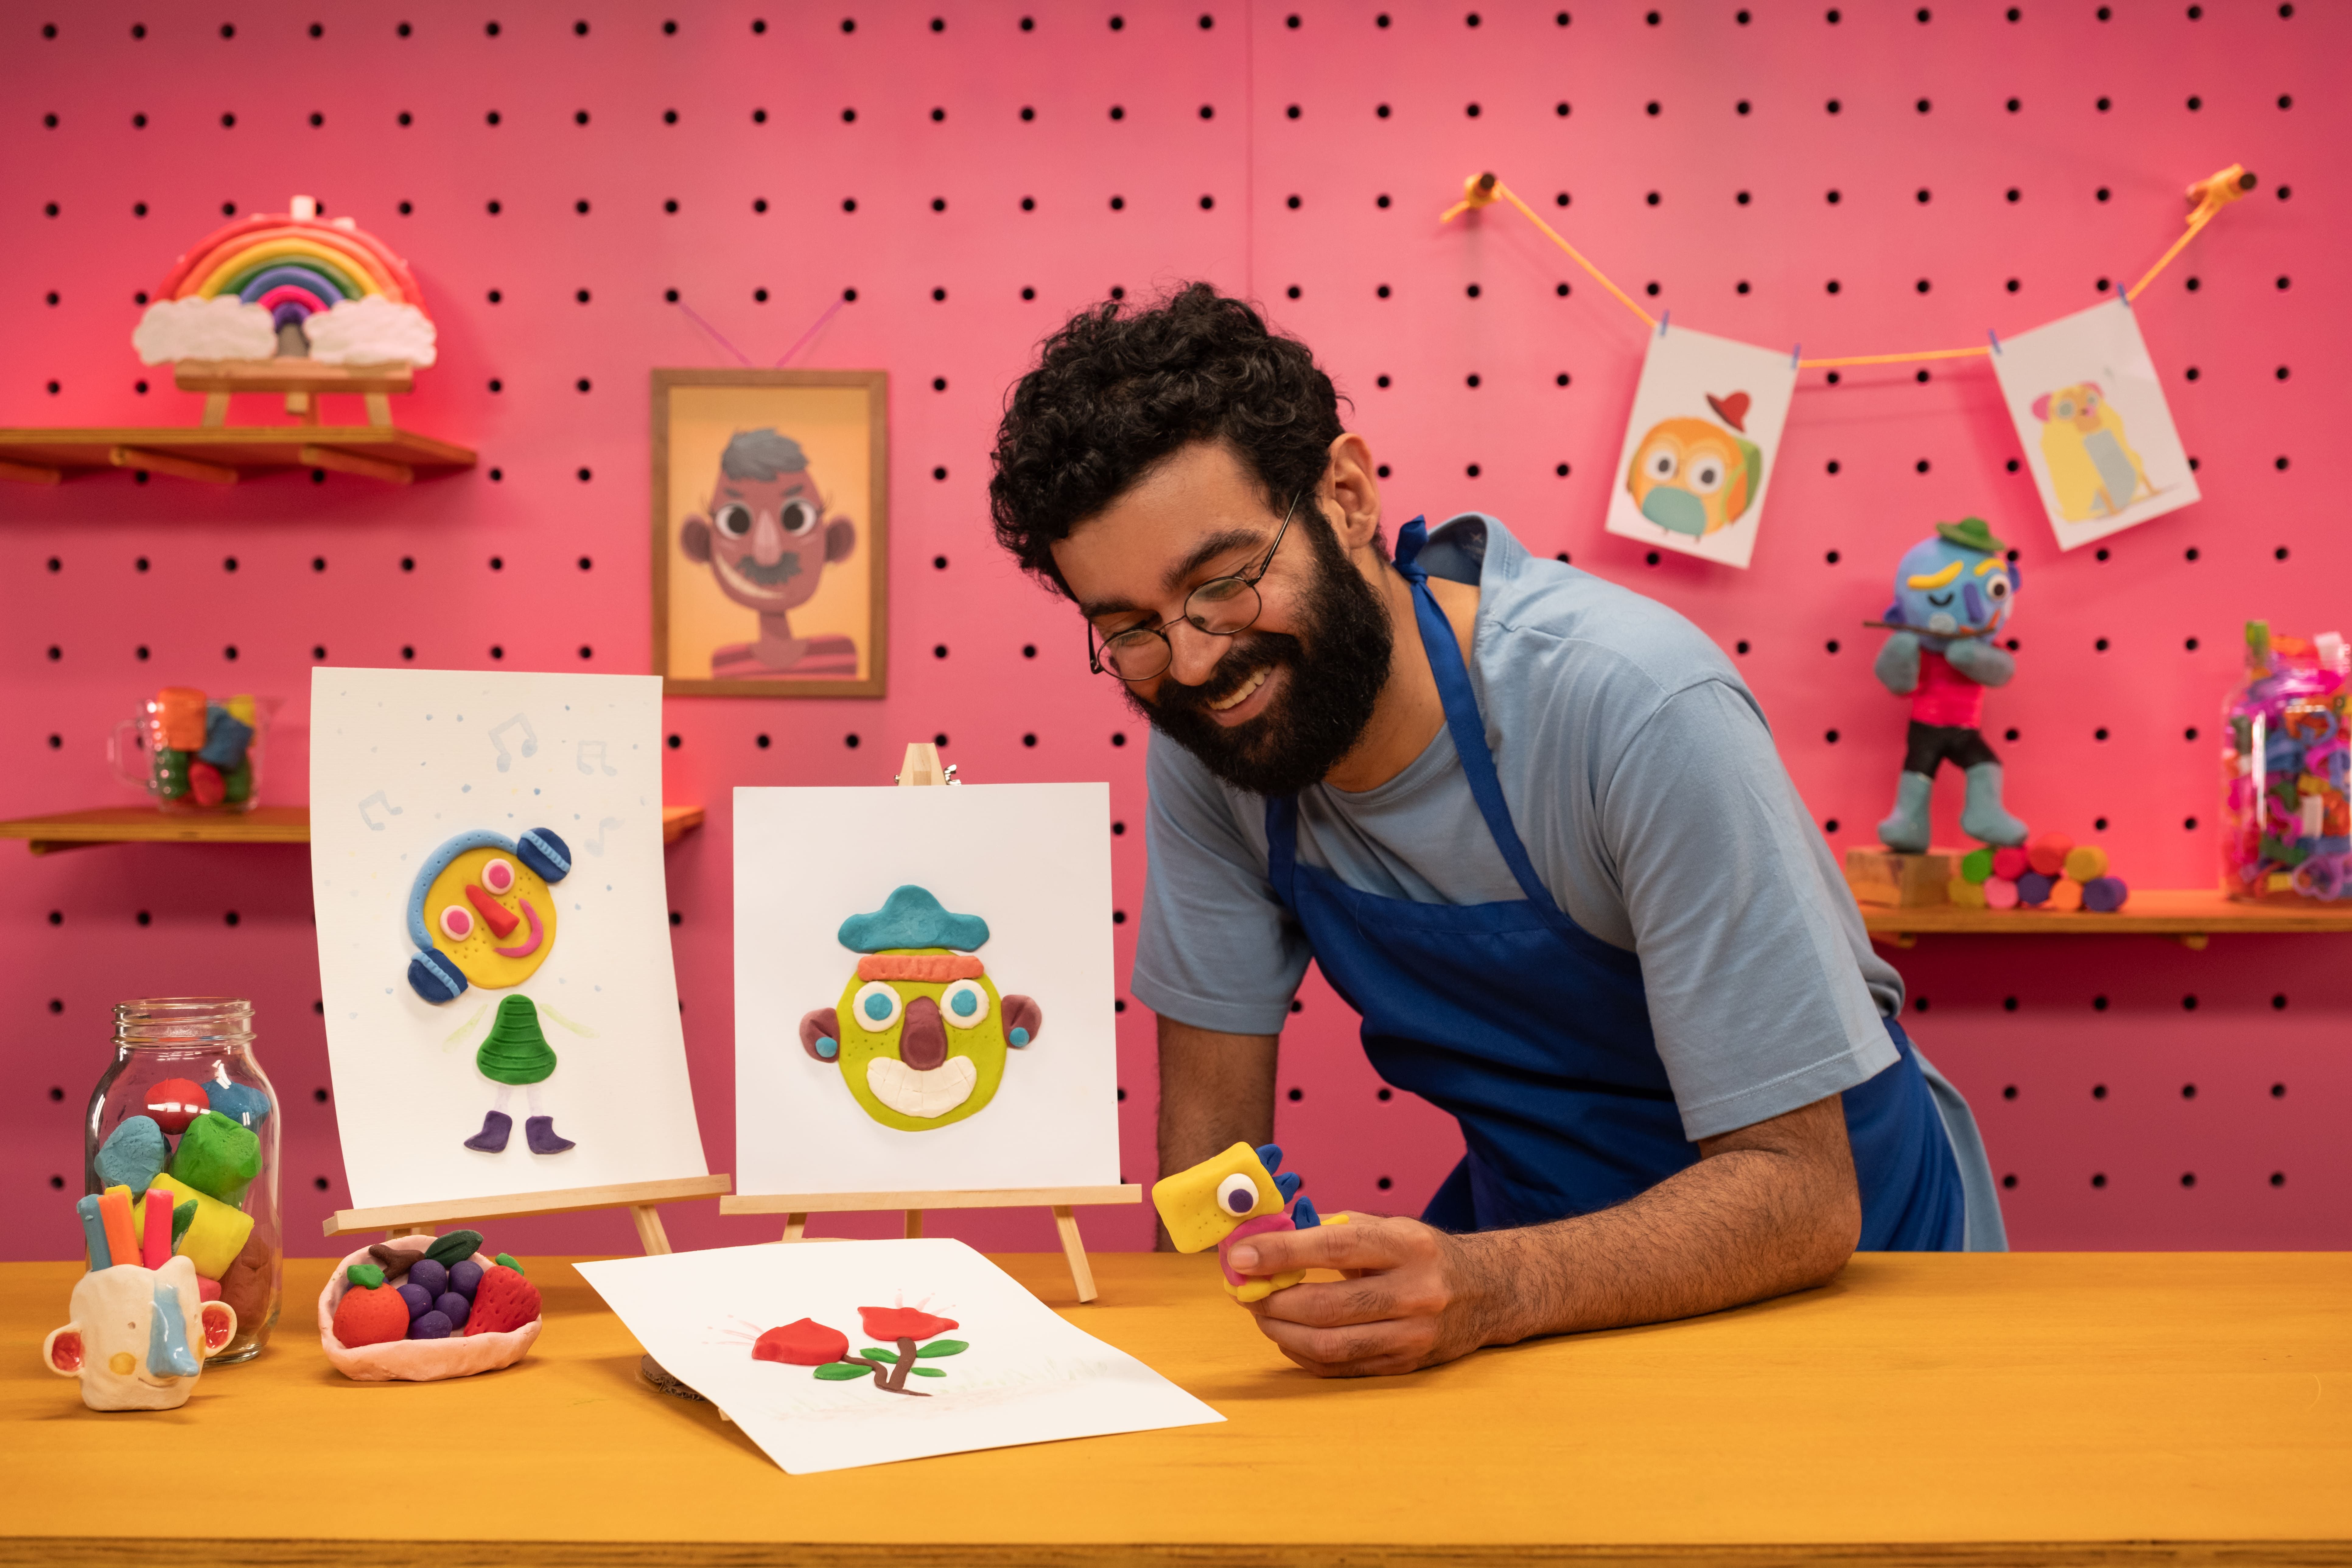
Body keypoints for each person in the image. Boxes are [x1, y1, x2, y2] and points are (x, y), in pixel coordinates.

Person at [986, 285, 2004, 1379]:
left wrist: (1494, 1286)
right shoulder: (1216, 742)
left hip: (1843, 1275)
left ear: (1346, 496)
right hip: (1544, 1277)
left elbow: (1801, 1192)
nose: (1192, 665)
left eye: (1225, 585)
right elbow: (1208, 1160)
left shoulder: (1637, 708)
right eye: (1131, 628)